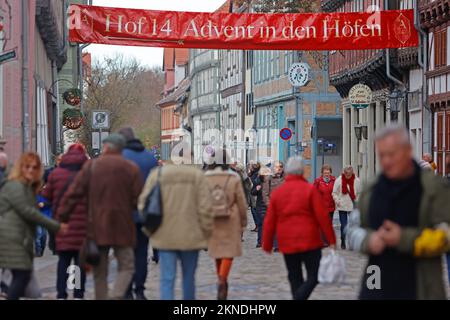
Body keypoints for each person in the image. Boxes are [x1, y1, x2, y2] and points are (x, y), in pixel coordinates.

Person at [347, 125, 450, 300]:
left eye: (392, 154)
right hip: (376, 282)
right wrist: (367, 240)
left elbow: (446, 234)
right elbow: (352, 228)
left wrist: (404, 238)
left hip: (419, 285)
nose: (386, 161)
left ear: (408, 151)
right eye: (382, 155)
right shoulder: (372, 189)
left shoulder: (432, 188)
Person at [59, 134, 143, 300]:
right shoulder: (131, 168)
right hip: (123, 226)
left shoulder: (92, 166)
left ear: (105, 147)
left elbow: (74, 193)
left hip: (97, 227)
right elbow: (138, 198)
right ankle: (117, 294)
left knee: (100, 271)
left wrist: (63, 215)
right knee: (127, 265)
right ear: (121, 149)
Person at [262, 156, 336, 300]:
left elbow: (270, 220)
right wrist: (331, 239)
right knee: (314, 275)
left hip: (287, 240)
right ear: (302, 171)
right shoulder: (309, 190)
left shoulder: (278, 193)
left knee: (294, 275)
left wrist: (267, 243)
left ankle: (298, 297)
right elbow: (323, 217)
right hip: (310, 240)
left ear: (288, 171)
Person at [138, 164, 213, 300]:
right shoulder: (197, 175)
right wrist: (206, 233)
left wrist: (150, 229)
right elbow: (206, 208)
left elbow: (143, 203)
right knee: (189, 277)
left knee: (167, 278)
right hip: (191, 235)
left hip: (164, 235)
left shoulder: (157, 174)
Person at [0, 152, 67, 300]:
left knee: (20, 276)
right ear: (20, 168)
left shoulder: (26, 186)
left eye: (34, 167)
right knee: (21, 276)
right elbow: (29, 212)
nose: (31, 170)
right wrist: (56, 226)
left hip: (20, 238)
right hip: (12, 238)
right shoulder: (16, 186)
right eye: (27, 167)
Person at [41, 144, 89, 300]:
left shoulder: (56, 174)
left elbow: (47, 196)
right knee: (79, 261)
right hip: (83, 225)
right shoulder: (87, 174)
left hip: (62, 223)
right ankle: (78, 293)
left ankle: (61, 293)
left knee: (63, 260)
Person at [119, 127, 158, 300]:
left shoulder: (119, 158)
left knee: (125, 254)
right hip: (145, 214)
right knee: (142, 253)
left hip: (123, 215)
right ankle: (140, 290)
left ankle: (127, 290)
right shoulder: (150, 158)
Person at [204, 149, 247, 300]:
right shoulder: (233, 178)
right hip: (231, 218)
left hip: (211, 218)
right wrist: (243, 221)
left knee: (217, 251)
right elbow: (241, 201)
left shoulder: (205, 178)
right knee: (228, 252)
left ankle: (220, 279)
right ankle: (222, 279)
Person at [332, 165, 361, 249]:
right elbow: (334, 193)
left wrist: (357, 200)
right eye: (346, 174)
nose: (348, 176)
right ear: (344, 173)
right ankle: (343, 240)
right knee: (344, 225)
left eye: (350, 174)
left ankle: (351, 243)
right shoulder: (339, 180)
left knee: (353, 226)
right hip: (342, 206)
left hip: (352, 205)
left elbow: (359, 192)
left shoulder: (357, 180)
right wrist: (338, 201)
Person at [251, 166, 272, 248]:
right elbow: (252, 192)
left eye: (268, 174)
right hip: (260, 206)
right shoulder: (257, 181)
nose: (267, 176)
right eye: (265, 174)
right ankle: (260, 242)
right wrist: (256, 189)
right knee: (260, 225)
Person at [248, 162, 260, 232]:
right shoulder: (253, 174)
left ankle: (258, 225)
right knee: (253, 210)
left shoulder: (256, 174)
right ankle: (257, 225)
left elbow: (253, 183)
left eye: (250, 166)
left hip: (254, 195)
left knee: (254, 210)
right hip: (253, 193)